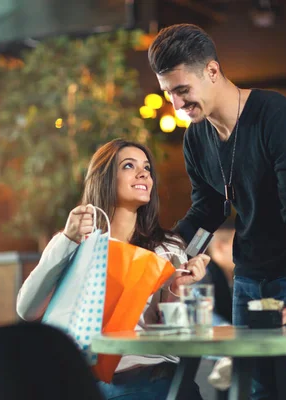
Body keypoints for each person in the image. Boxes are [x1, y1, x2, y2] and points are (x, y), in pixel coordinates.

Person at [148, 24, 286, 399]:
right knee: (253, 389)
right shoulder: (196, 137)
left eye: (182, 90)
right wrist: (168, 252)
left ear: (212, 71)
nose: (175, 105)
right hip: (251, 275)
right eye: (168, 94)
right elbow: (209, 208)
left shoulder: (278, 118)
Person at [16, 138, 209, 400]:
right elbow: (27, 309)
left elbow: (175, 337)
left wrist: (177, 291)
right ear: (103, 179)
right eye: (129, 165)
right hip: (82, 382)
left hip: (148, 375)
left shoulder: (168, 247)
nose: (143, 173)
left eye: (147, 168)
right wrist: (66, 240)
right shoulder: (77, 244)